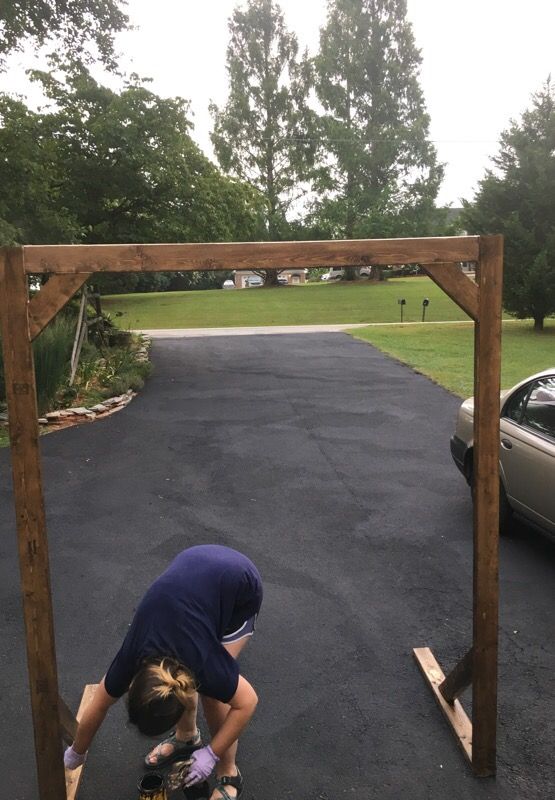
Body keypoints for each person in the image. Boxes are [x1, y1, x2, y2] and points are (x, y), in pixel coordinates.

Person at [64, 544, 263, 800]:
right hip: (197, 570)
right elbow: (100, 704)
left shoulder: (204, 663)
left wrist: (211, 754)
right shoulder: (132, 657)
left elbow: (247, 703)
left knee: (213, 695)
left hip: (240, 587)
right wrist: (76, 752)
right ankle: (187, 738)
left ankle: (229, 772)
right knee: (198, 680)